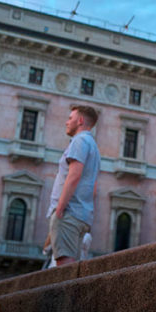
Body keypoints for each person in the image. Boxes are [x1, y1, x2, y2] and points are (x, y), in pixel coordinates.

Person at [44, 105, 100, 266]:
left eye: (70, 118)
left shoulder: (79, 141)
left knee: (64, 266)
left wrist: (59, 209)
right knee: (72, 266)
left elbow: (74, 176)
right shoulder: (92, 145)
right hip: (81, 214)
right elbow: (94, 186)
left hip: (69, 213)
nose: (66, 122)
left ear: (80, 120)